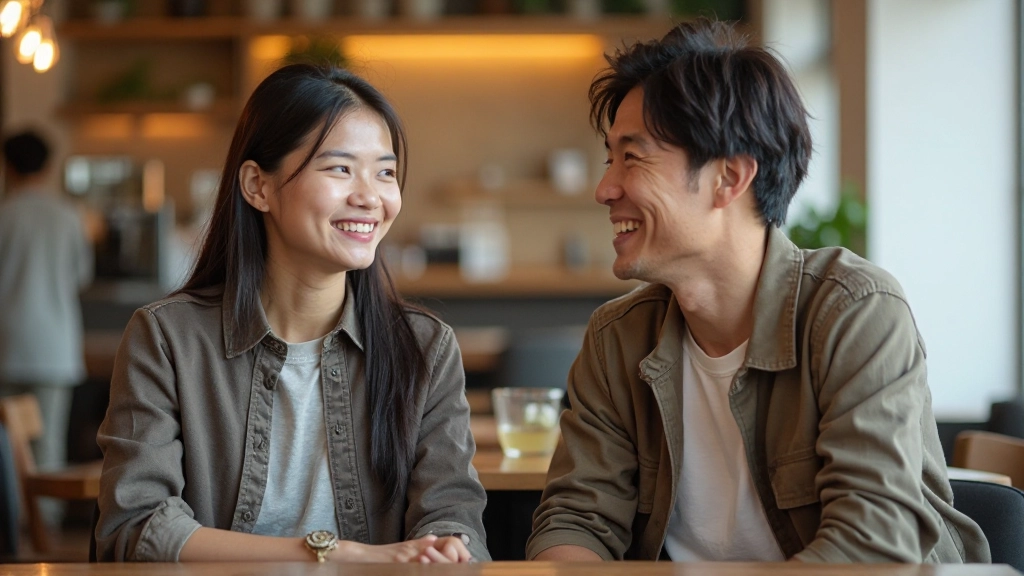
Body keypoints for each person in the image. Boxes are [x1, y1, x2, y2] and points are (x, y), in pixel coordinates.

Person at [526, 19, 989, 563]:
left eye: (634, 156)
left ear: (729, 178)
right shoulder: (618, 338)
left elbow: (871, 546)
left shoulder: (854, 312)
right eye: (610, 159)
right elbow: (576, 519)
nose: (605, 189)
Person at [95, 64, 489, 563]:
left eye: (385, 172)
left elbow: (453, 514)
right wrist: (335, 555)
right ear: (258, 185)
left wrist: (447, 549)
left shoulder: (425, 347)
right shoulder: (168, 339)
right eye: (340, 168)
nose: (371, 197)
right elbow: (137, 526)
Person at [0, 130, 93, 516]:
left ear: (7, 166)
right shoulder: (68, 215)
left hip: (6, 343)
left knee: (7, 447)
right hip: (54, 344)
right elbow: (81, 277)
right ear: (50, 165)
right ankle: (45, 529)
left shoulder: (4, 213)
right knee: (48, 443)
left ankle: (12, 531)